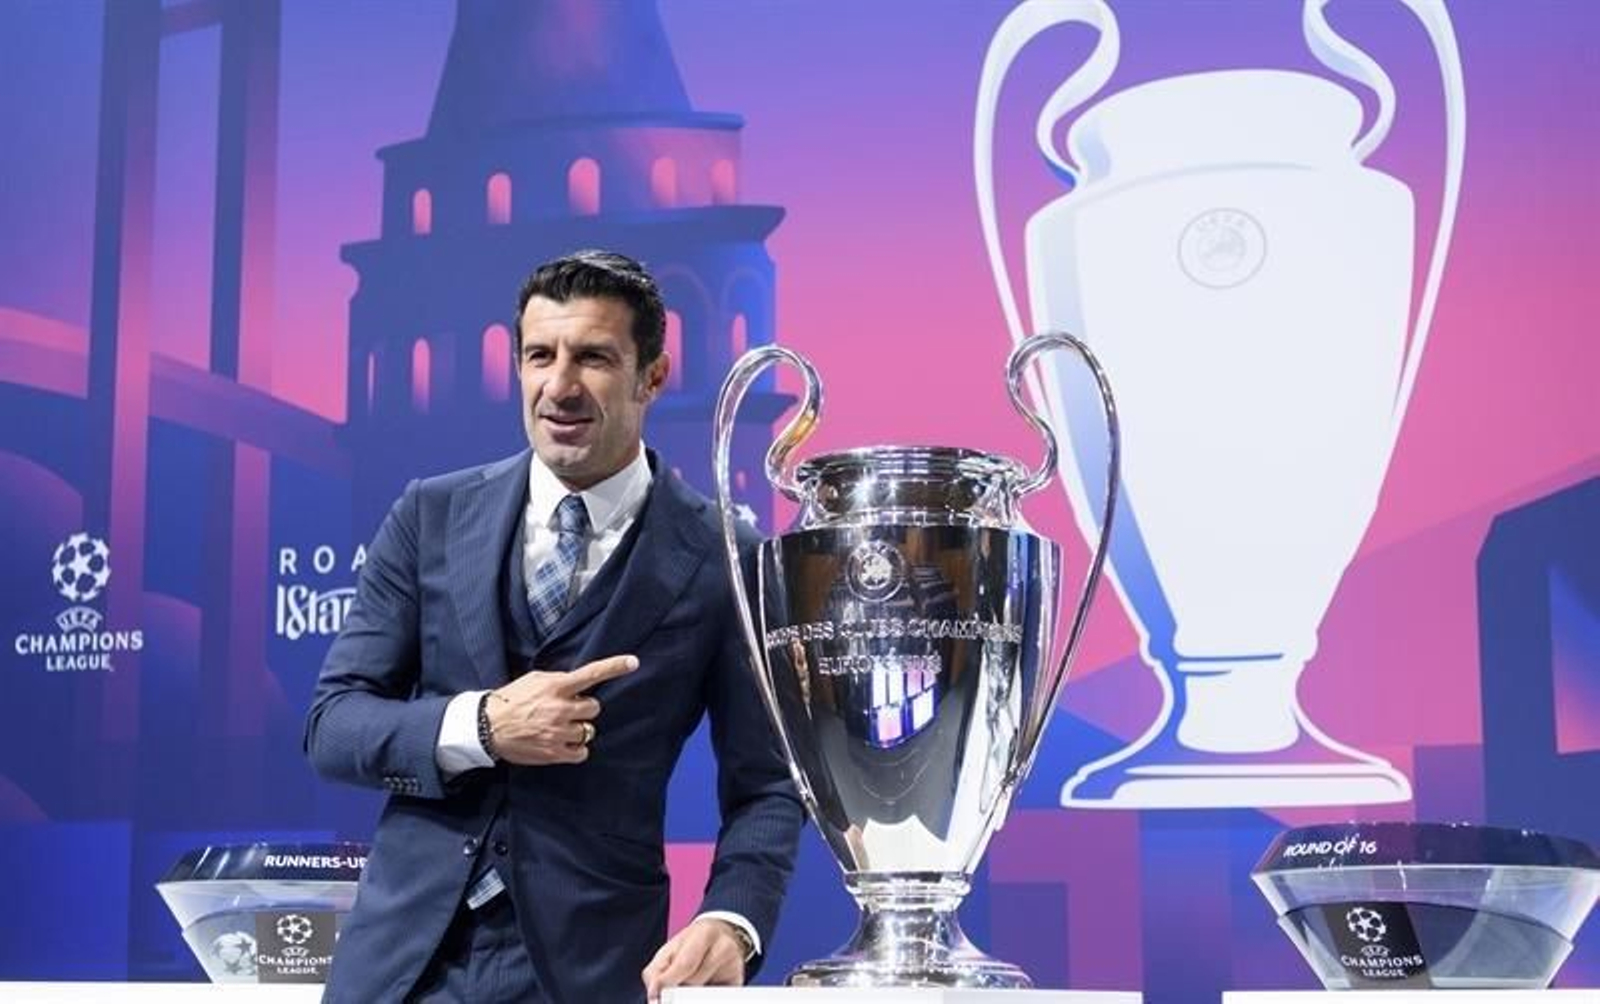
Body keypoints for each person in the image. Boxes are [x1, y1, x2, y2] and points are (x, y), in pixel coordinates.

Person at [304, 249, 804, 1002]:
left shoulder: (725, 556)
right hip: (400, 968)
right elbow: (334, 726)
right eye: (540, 355)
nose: (560, 386)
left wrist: (734, 920)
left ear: (653, 376)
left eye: (594, 358)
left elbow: (768, 785)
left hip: (592, 969)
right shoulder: (429, 515)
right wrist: (482, 726)